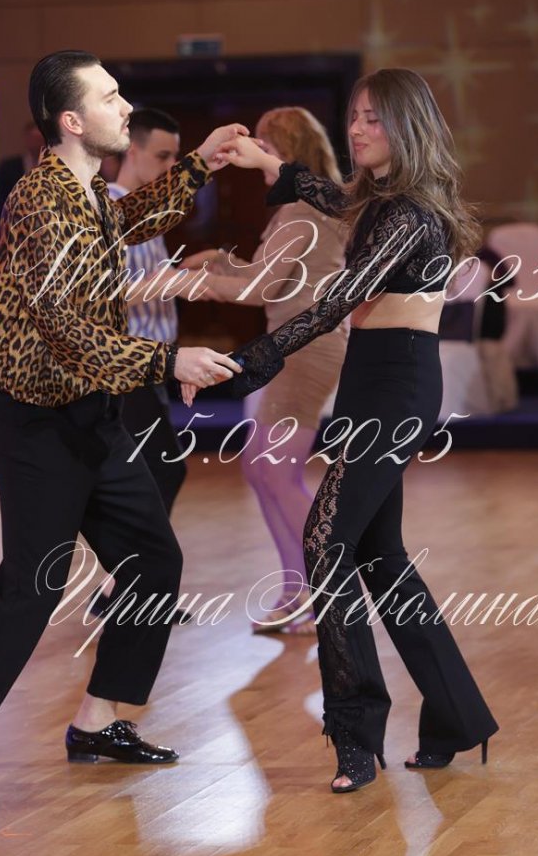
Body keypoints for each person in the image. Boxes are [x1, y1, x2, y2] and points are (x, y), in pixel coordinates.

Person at [0, 50, 244, 811]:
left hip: (87, 409)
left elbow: (131, 219)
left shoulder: (86, 190)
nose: (125, 107)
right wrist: (170, 359)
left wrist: (199, 165)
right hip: (35, 421)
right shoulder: (42, 201)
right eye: (110, 98)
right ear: (72, 121)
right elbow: (67, 331)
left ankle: (97, 721)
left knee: (152, 559)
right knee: (32, 587)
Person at [209, 68, 499, 793]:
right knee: (380, 556)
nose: (357, 128)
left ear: (406, 125)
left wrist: (245, 363)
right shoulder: (383, 201)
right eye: (355, 116)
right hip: (373, 379)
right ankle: (458, 718)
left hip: (397, 385)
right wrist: (270, 163)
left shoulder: (411, 216)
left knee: (325, 540)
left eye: (374, 117)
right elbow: (334, 198)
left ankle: (355, 733)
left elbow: (333, 303)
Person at [183, 107, 348, 634]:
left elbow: (258, 289)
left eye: (264, 144)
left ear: (287, 151)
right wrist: (216, 260)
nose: (252, 151)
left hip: (307, 348)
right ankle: (298, 591)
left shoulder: (302, 207)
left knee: (275, 471)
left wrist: (189, 283)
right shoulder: (302, 206)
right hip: (292, 345)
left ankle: (325, 594)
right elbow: (267, 277)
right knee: (261, 468)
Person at [107, 108, 188, 514]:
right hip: (128, 365)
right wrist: (176, 282)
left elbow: (150, 279)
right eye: (162, 156)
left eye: (175, 157)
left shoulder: (147, 211)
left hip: (152, 364)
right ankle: (138, 554)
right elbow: (107, 293)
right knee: (163, 470)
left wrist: (194, 269)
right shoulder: (110, 208)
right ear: (131, 151)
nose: (172, 166)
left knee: (154, 472)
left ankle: (133, 554)